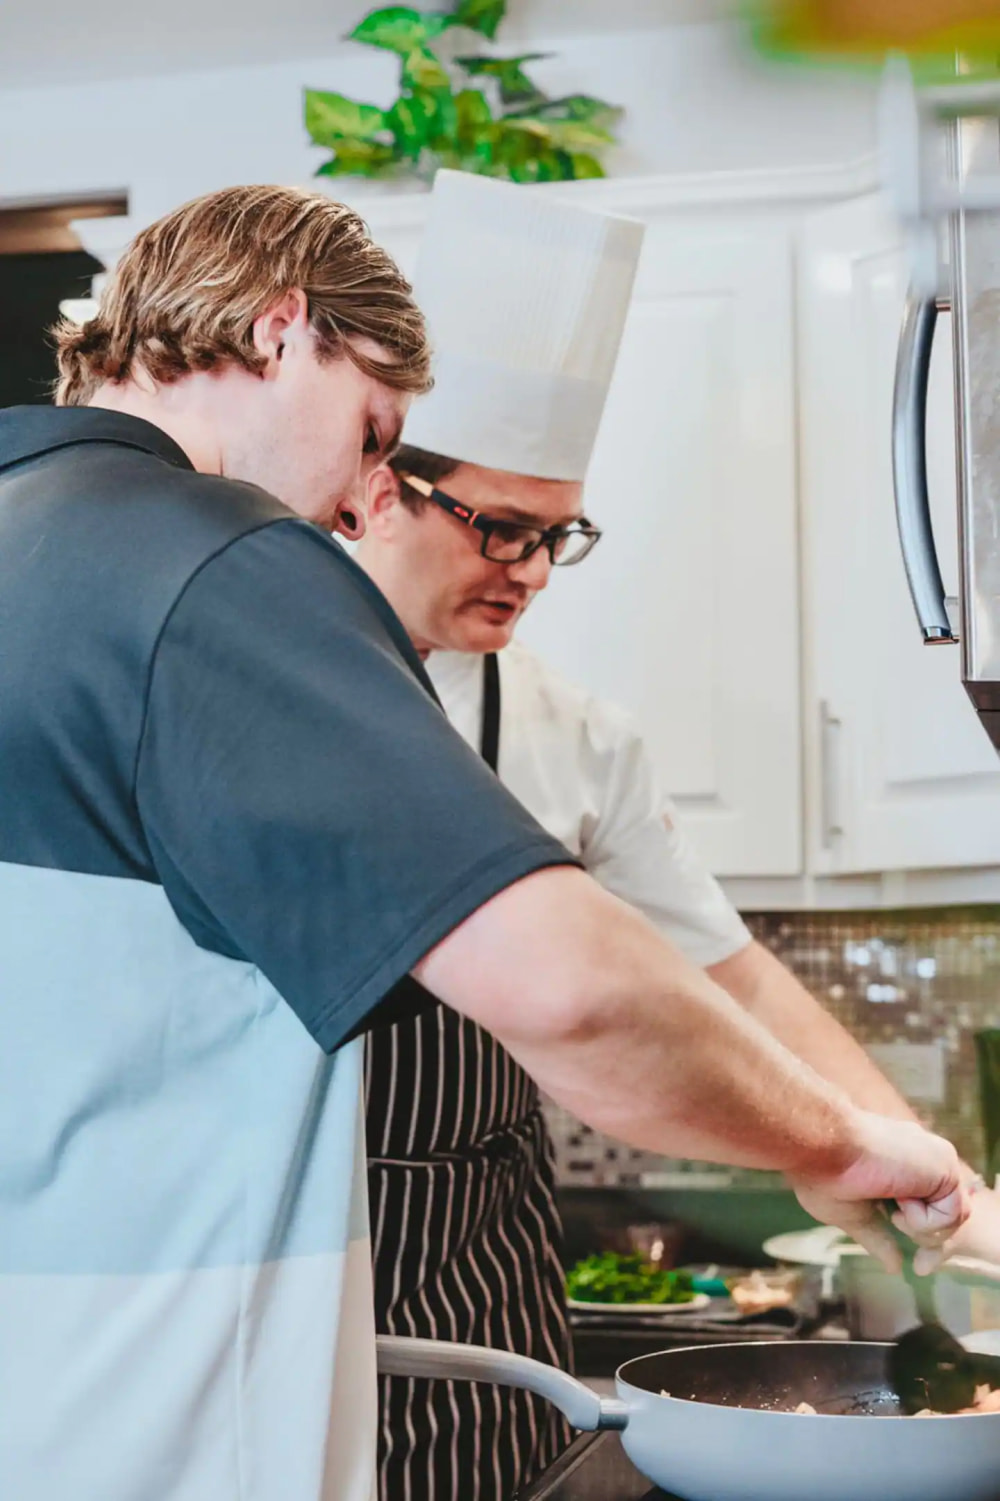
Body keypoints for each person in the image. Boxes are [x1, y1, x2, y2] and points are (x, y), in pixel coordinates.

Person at [0, 181, 971, 1501]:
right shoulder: (226, 568)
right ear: (282, 332)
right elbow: (578, 995)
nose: (358, 499)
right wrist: (843, 1145)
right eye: (375, 436)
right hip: (193, 1428)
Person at [357, 169, 1000, 1501]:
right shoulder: (267, 695)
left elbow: (731, 975)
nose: (532, 570)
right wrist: (827, 1143)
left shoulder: (573, 731)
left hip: (490, 1283)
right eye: (500, 527)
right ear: (380, 485)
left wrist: (922, 1170)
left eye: (560, 535)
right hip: (314, 1283)